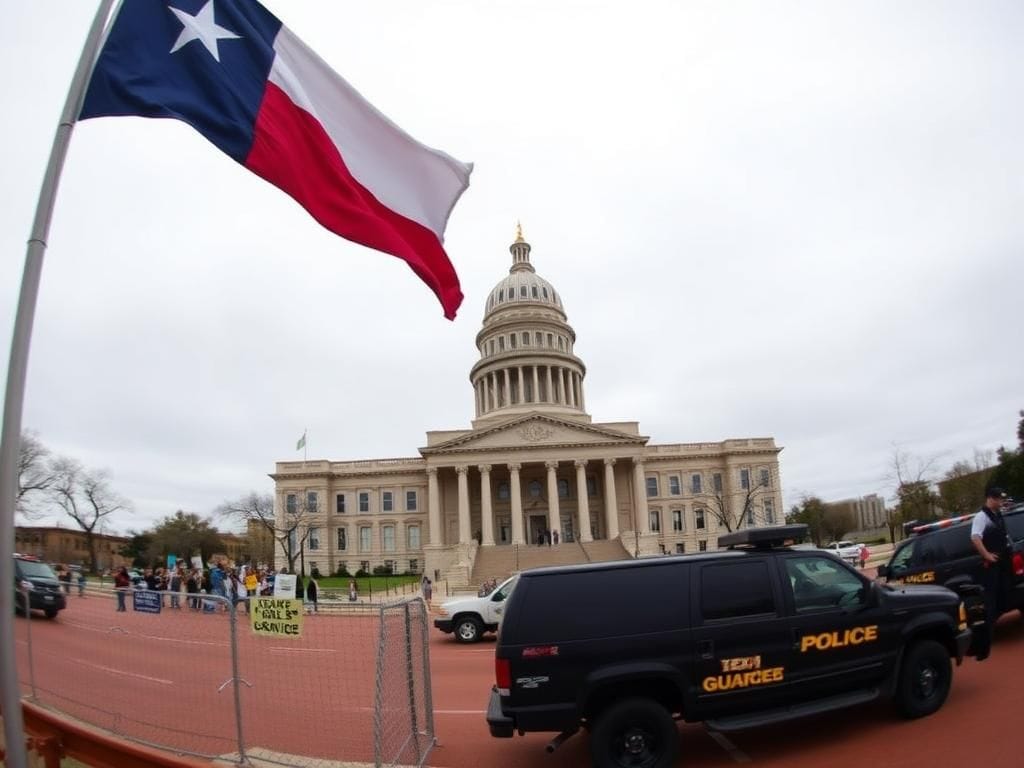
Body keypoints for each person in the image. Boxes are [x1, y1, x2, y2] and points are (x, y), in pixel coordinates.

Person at [970, 486, 1011, 660]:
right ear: (990, 499)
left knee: (1003, 599)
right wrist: (987, 555)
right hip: (991, 566)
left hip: (1003, 563)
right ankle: (981, 647)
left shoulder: (998, 515)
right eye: (999, 499)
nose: (1001, 502)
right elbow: (975, 537)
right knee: (989, 607)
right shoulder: (982, 517)